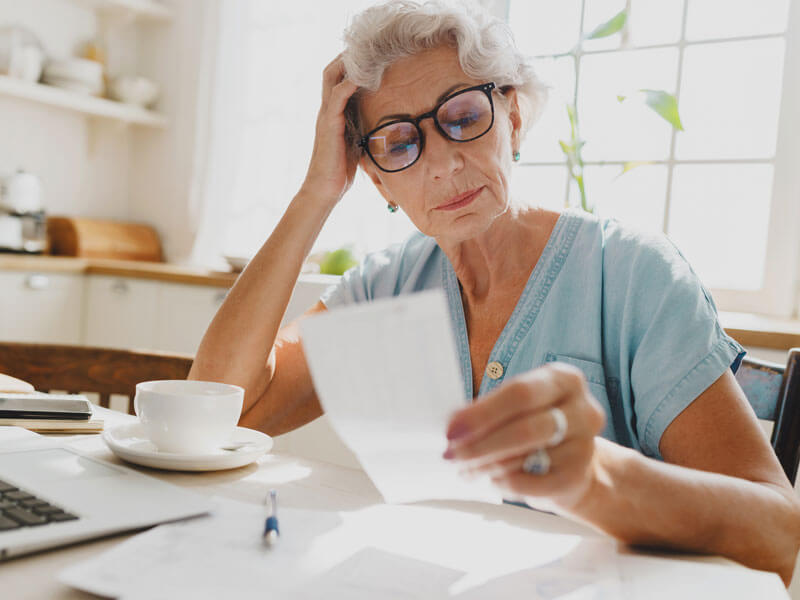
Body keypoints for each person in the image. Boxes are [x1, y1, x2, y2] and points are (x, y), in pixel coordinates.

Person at [189, 0, 800, 583]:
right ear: (376, 179)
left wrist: (596, 477)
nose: (444, 165)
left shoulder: (636, 274)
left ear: (511, 117)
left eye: (462, 118)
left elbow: (777, 533)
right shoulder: (387, 285)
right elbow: (218, 411)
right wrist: (316, 193)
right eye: (400, 143)